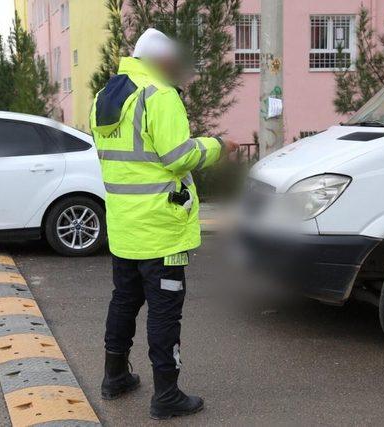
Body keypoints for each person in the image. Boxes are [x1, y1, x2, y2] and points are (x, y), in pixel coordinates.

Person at [90, 28, 237, 420]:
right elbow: (177, 156)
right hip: (161, 229)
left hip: (124, 226)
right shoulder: (159, 95)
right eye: (173, 62)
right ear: (159, 61)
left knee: (124, 300)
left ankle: (115, 376)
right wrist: (218, 146)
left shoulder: (107, 96)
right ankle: (167, 395)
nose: (178, 69)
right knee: (164, 312)